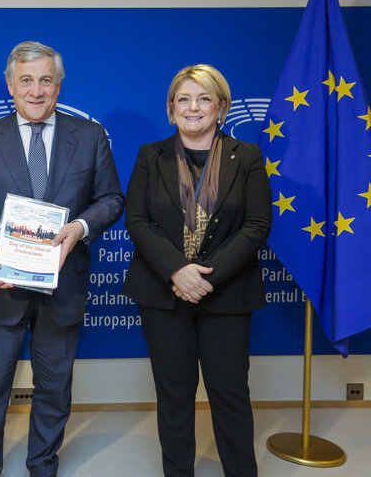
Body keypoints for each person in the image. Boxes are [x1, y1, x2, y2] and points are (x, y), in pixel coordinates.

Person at [0, 41, 124, 477]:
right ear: (10, 85)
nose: (36, 90)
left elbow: (111, 199)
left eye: (46, 80)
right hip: (0, 284)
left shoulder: (89, 136)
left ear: (59, 85)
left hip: (63, 285)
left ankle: (43, 466)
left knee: (54, 387)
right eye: (26, 80)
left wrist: (80, 228)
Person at [121, 64, 272, 477]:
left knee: (230, 394)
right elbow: (137, 220)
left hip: (226, 293)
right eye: (184, 99)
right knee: (174, 396)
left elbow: (257, 225)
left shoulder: (248, 158)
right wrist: (177, 271)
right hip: (162, 294)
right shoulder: (150, 155)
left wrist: (204, 276)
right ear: (171, 109)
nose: (193, 107)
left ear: (221, 107)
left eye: (204, 98)